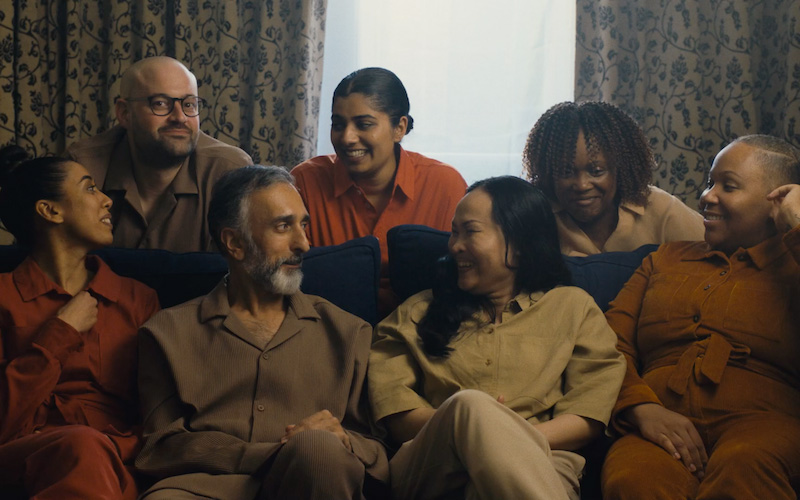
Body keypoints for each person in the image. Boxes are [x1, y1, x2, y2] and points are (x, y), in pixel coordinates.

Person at [136, 166, 388, 499]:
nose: (304, 244)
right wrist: (268, 453)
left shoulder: (349, 332)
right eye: (283, 226)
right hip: (206, 488)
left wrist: (340, 439)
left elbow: (380, 452)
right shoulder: (166, 333)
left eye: (304, 224)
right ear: (235, 243)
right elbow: (159, 448)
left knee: (318, 449)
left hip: (312, 479)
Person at [368, 176, 626, 500]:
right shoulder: (417, 312)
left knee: (484, 484)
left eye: (470, 231)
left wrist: (500, 438)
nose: (455, 246)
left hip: (544, 460)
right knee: (471, 405)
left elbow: (589, 413)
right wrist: (475, 426)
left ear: (518, 244)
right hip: (433, 464)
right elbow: (395, 412)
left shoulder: (573, 309)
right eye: (454, 232)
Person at [600, 135, 800, 499]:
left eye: (729, 186)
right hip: (658, 424)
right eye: (710, 182)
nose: (707, 196)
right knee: (632, 478)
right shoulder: (663, 260)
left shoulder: (793, 264)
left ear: (778, 199)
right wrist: (641, 408)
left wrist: (798, 225)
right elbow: (607, 346)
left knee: (745, 466)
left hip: (762, 426)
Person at [0, 146, 160, 499]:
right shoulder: (3, 297)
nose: (107, 201)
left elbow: (157, 413)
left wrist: (111, 450)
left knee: (87, 448)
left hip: (114, 459)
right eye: (89, 188)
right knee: (82, 446)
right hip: (21, 456)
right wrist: (60, 334)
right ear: (50, 210)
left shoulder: (137, 300)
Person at [291, 67, 467, 316]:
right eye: (338, 125)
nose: (347, 138)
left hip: (421, 336)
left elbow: (468, 278)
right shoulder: (305, 181)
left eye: (364, 124)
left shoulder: (445, 185)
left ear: (400, 128)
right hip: (327, 331)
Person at [66, 56, 252, 253]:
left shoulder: (229, 170)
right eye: (161, 103)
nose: (180, 117)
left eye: (189, 104)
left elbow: (246, 273)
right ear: (124, 113)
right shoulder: (82, 166)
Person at [523, 101, 704, 256]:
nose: (582, 185)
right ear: (548, 173)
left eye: (596, 171)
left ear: (620, 168)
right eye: (565, 172)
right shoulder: (537, 217)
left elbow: (720, 258)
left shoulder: (660, 209)